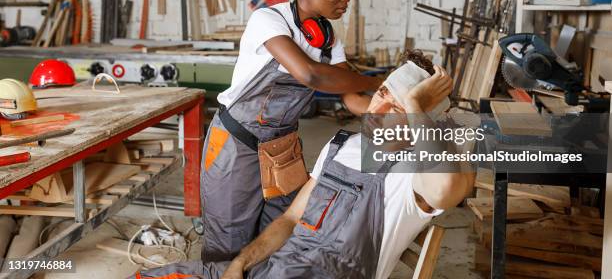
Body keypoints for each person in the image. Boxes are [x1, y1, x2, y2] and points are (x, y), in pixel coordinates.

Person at [131, 55, 476, 279]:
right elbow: (291, 219)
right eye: (381, 93)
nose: (378, 110)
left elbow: (446, 190)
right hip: (273, 269)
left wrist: (416, 102)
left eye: (398, 108)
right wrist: (240, 264)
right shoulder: (342, 146)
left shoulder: (412, 174)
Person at [200, 0, 381, 263]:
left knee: (280, 234)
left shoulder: (328, 38)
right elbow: (311, 75)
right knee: (227, 243)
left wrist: (395, 105)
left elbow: (353, 98)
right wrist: (376, 80)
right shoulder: (269, 20)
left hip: (282, 148)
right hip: (236, 145)